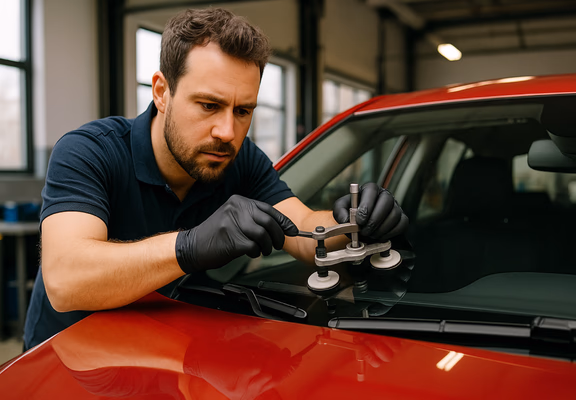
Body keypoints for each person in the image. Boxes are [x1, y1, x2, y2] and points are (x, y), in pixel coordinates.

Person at [23, 8, 408, 350]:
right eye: (209, 105)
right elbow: (65, 279)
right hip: (67, 366)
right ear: (162, 92)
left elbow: (305, 232)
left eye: (243, 111)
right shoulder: (89, 151)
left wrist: (356, 221)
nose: (227, 131)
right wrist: (188, 247)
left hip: (166, 357)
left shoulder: (238, 162)